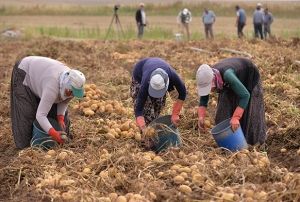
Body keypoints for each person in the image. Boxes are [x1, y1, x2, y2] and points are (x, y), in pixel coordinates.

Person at [10, 56, 86, 149]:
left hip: (42, 78)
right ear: (65, 84)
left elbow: (65, 101)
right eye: (71, 92)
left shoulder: (71, 85)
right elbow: (40, 115)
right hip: (25, 71)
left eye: (74, 93)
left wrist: (60, 117)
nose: (72, 95)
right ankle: (25, 147)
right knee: (27, 113)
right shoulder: (52, 87)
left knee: (60, 119)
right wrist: (53, 133)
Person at [196, 57, 266, 145]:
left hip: (248, 77)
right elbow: (204, 98)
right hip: (229, 82)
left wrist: (236, 117)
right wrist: (201, 117)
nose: (210, 90)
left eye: (210, 87)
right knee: (223, 113)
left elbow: (245, 95)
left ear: (213, 80)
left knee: (248, 115)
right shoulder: (207, 78)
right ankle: (227, 143)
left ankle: (254, 144)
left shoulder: (227, 75)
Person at [130, 57, 187, 133]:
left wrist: (175, 114)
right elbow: (139, 109)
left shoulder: (173, 76)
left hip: (155, 68)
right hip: (139, 75)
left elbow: (182, 93)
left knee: (158, 105)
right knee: (146, 111)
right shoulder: (145, 84)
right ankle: (148, 135)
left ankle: (153, 127)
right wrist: (142, 125)